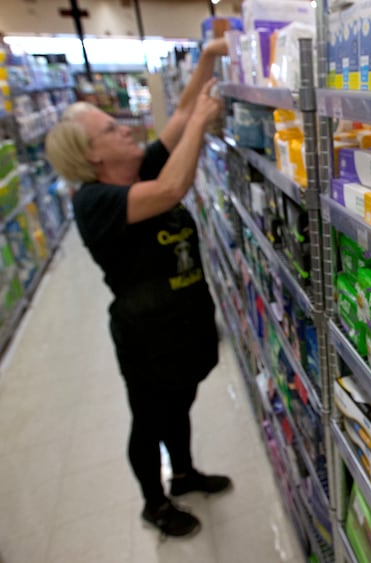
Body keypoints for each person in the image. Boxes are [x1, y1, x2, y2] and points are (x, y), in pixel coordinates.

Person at [45, 38, 231, 539]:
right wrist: (197, 126)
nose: (125, 127)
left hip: (185, 319)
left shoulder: (141, 165)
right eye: (110, 129)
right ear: (92, 155)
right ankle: (154, 502)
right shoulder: (95, 203)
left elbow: (182, 112)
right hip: (146, 335)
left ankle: (186, 472)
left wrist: (210, 54)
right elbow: (173, 188)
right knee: (149, 420)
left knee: (182, 404)